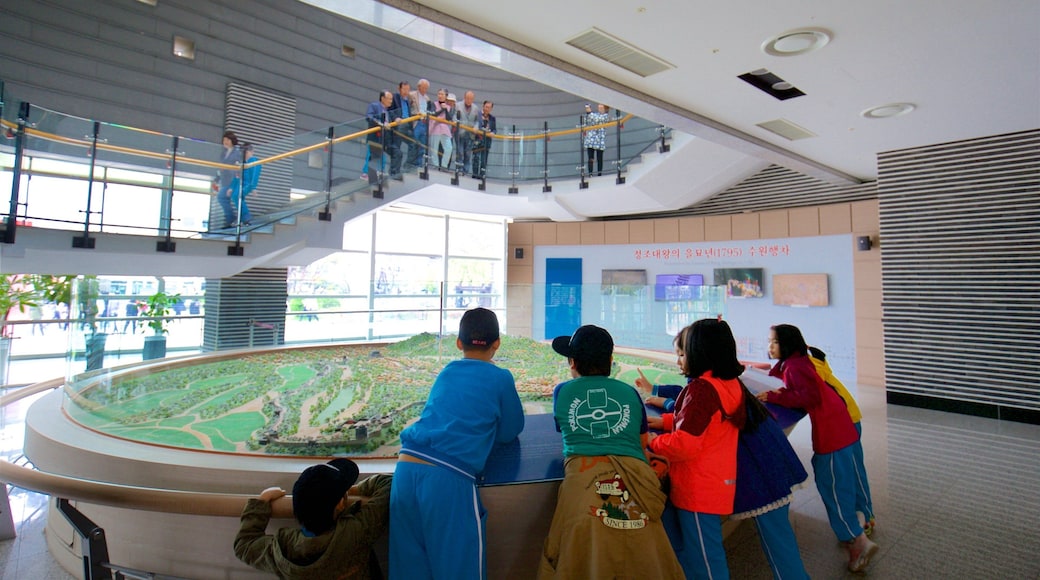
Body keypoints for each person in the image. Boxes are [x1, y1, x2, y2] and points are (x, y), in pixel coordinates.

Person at [389, 307, 525, 579]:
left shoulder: (447, 372)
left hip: (405, 471)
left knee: (409, 571)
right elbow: (512, 429)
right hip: (448, 478)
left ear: (458, 343)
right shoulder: (500, 378)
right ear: (497, 343)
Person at [539, 325, 683, 579]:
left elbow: (563, 428)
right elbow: (640, 444)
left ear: (572, 362)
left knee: (579, 558)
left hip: (581, 483)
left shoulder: (562, 391)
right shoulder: (629, 392)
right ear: (610, 361)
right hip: (634, 481)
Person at [756, 324, 879, 573]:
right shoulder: (799, 361)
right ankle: (857, 527)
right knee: (835, 477)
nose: (769, 346)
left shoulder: (795, 366)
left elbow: (808, 396)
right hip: (840, 426)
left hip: (833, 432)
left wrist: (775, 396)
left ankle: (857, 539)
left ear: (787, 344)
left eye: (774, 342)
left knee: (833, 485)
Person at [646, 318, 746, 580]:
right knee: (696, 554)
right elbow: (709, 423)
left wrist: (651, 443)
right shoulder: (728, 382)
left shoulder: (701, 389)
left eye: (683, 351)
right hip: (715, 483)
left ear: (700, 351)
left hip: (698, 488)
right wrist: (668, 421)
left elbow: (686, 443)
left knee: (705, 560)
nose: (680, 359)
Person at [233, 458, 393, 579]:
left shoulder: (284, 549)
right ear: (339, 505)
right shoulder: (357, 531)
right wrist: (354, 490)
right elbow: (387, 484)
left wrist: (261, 502)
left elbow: (244, 546)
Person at [808, 345, 876, 536]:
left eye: (775, 342)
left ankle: (867, 515)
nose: (770, 346)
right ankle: (862, 513)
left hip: (847, 421)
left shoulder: (807, 367)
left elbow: (807, 391)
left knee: (854, 470)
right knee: (852, 470)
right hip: (844, 420)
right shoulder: (809, 363)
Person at [365, 90, 402, 184]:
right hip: (376, 137)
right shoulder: (374, 106)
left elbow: (393, 119)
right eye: (389, 99)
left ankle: (394, 174)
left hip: (387, 138)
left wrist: (396, 119)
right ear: (382, 98)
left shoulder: (389, 111)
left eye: (391, 99)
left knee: (397, 153)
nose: (391, 101)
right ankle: (372, 179)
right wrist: (380, 124)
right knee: (375, 157)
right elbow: (369, 117)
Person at [215, 130, 240, 228]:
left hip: (232, 179)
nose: (225, 142)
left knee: (221, 197)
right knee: (224, 198)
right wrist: (216, 180)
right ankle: (230, 220)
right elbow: (220, 167)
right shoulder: (223, 153)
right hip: (224, 180)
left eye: (227, 140)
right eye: (224, 140)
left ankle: (232, 219)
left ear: (232, 140)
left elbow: (237, 166)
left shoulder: (237, 152)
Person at [407, 79, 433, 168]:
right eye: (423, 87)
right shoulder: (411, 95)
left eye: (426, 88)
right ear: (419, 87)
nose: (425, 90)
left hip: (424, 123)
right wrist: (414, 114)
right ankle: (410, 165)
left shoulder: (427, 98)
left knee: (422, 146)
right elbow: (408, 109)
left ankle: (418, 165)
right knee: (413, 144)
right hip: (416, 122)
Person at [429, 88, 455, 170]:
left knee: (449, 148)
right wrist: (441, 110)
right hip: (435, 127)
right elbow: (433, 114)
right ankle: (436, 165)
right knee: (434, 149)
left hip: (445, 129)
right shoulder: (433, 104)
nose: (440, 96)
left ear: (446, 96)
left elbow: (449, 118)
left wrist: (445, 110)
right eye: (439, 94)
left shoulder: (449, 107)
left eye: (442, 94)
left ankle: (444, 165)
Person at [235, 142, 260, 226]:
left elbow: (255, 175)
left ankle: (246, 218)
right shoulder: (244, 162)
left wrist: (253, 187)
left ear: (251, 152)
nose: (244, 154)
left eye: (246, 152)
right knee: (238, 198)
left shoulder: (254, 161)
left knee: (237, 196)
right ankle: (243, 218)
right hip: (243, 183)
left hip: (248, 184)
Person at [456, 90, 480, 175]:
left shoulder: (476, 108)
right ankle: (459, 170)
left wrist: (476, 127)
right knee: (460, 152)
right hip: (460, 133)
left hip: (470, 134)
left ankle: (465, 172)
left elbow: (477, 121)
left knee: (468, 154)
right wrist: (456, 123)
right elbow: (454, 117)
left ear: (473, 99)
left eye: (471, 98)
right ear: (464, 97)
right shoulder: (458, 105)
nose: (469, 100)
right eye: (467, 98)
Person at [472, 100, 496, 179]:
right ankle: (475, 175)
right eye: (486, 107)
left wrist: (493, 133)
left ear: (491, 109)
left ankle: (482, 175)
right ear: (483, 106)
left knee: (484, 160)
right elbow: (474, 124)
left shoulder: (492, 118)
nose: (487, 109)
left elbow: (494, 129)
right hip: (478, 139)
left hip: (487, 141)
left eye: (489, 107)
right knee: (476, 158)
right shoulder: (477, 114)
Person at [584, 104, 609, 176]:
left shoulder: (606, 116)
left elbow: (597, 119)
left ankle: (599, 173)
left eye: (601, 108)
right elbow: (587, 119)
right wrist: (589, 113)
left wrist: (589, 112)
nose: (600, 109)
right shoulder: (595, 114)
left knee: (599, 158)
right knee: (590, 158)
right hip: (591, 139)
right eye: (599, 108)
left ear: (605, 109)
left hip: (600, 139)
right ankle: (590, 173)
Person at [391, 81, 412, 169]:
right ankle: (394, 170)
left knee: (415, 143)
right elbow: (390, 110)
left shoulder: (408, 101)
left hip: (407, 125)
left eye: (408, 90)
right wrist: (395, 118)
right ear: (399, 89)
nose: (406, 91)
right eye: (404, 89)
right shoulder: (394, 97)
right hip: (399, 124)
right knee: (397, 148)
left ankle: (408, 165)